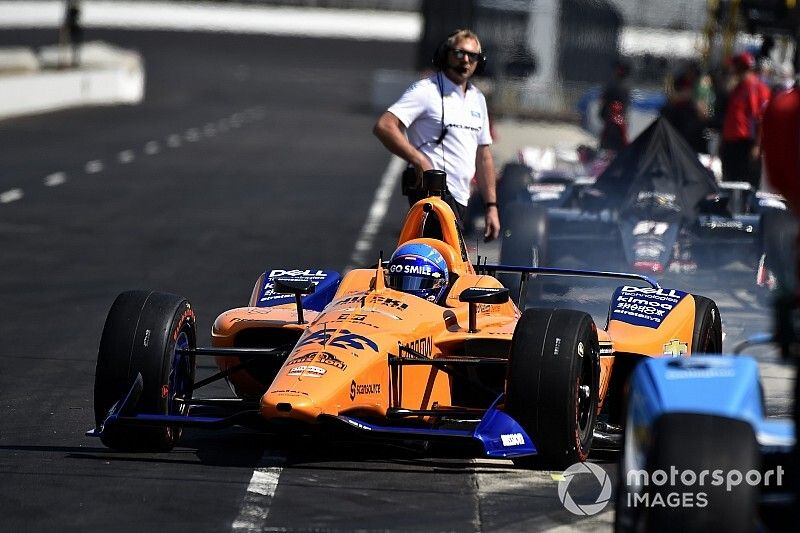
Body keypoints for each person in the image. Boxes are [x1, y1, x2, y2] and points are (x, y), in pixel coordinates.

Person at [373, 29, 500, 242]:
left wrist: (491, 207)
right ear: (445, 54)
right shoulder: (426, 90)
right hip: (431, 195)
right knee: (434, 261)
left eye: (473, 56)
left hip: (461, 197)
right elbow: (385, 126)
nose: (466, 61)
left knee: (450, 265)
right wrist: (418, 159)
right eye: (459, 54)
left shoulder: (478, 98)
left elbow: (484, 155)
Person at [720, 52, 771, 188]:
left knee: (745, 183)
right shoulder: (737, 88)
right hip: (731, 143)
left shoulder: (756, 88)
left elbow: (761, 119)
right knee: (729, 182)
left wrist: (757, 145)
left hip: (746, 144)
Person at [660, 71, 707, 153]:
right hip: (675, 147)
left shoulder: (694, 109)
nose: (686, 93)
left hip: (691, 148)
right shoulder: (668, 110)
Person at [598, 59, 632, 153]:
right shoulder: (623, 85)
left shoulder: (618, 85)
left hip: (614, 120)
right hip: (616, 119)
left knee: (611, 145)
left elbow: (604, 100)